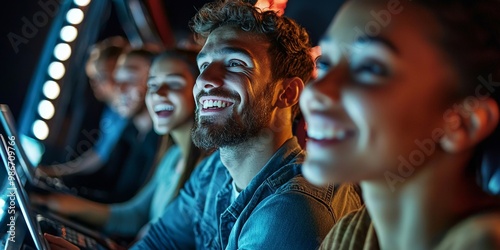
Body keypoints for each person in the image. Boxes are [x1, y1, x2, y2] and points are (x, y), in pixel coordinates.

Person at [129, 1, 362, 249]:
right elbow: (158, 242)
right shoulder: (213, 171)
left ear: (287, 93)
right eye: (204, 65)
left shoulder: (293, 206)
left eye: (235, 64)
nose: (205, 80)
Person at [299, 0, 500, 249]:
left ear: (463, 123)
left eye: (370, 68)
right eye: (326, 64)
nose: (316, 92)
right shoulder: (346, 235)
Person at [32, 49, 205, 242]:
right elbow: (134, 215)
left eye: (174, 83)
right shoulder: (173, 157)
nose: (158, 93)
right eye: (153, 85)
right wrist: (56, 202)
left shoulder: (209, 170)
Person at [38, 37, 129, 177]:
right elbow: (99, 152)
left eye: (103, 76)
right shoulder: (111, 112)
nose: (95, 83)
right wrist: (55, 171)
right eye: (93, 77)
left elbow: (99, 157)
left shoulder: (126, 113)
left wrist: (56, 172)